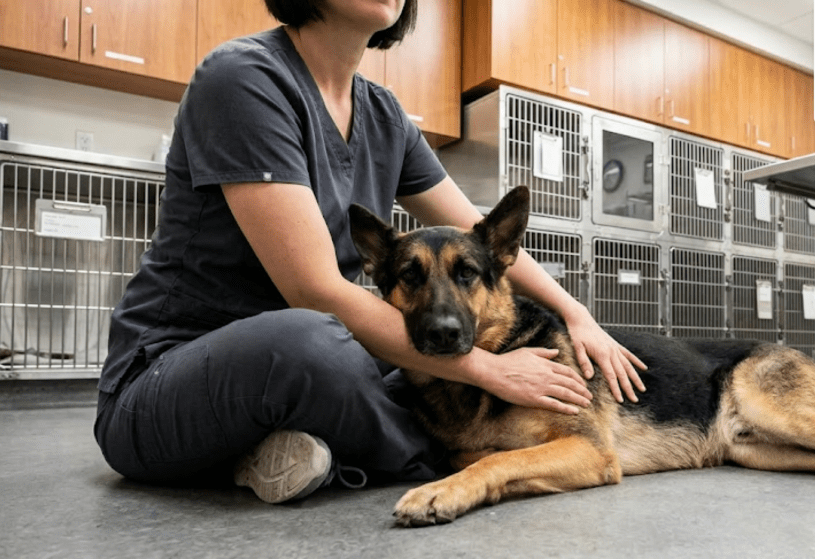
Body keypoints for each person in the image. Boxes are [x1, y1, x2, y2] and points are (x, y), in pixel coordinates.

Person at [93, 0, 645, 504]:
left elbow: (474, 236)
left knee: (406, 348)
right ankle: (457, 457)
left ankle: (307, 455)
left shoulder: (382, 114)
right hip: (165, 384)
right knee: (313, 338)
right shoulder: (243, 77)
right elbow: (312, 289)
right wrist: (487, 371)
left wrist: (578, 316)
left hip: (314, 356)